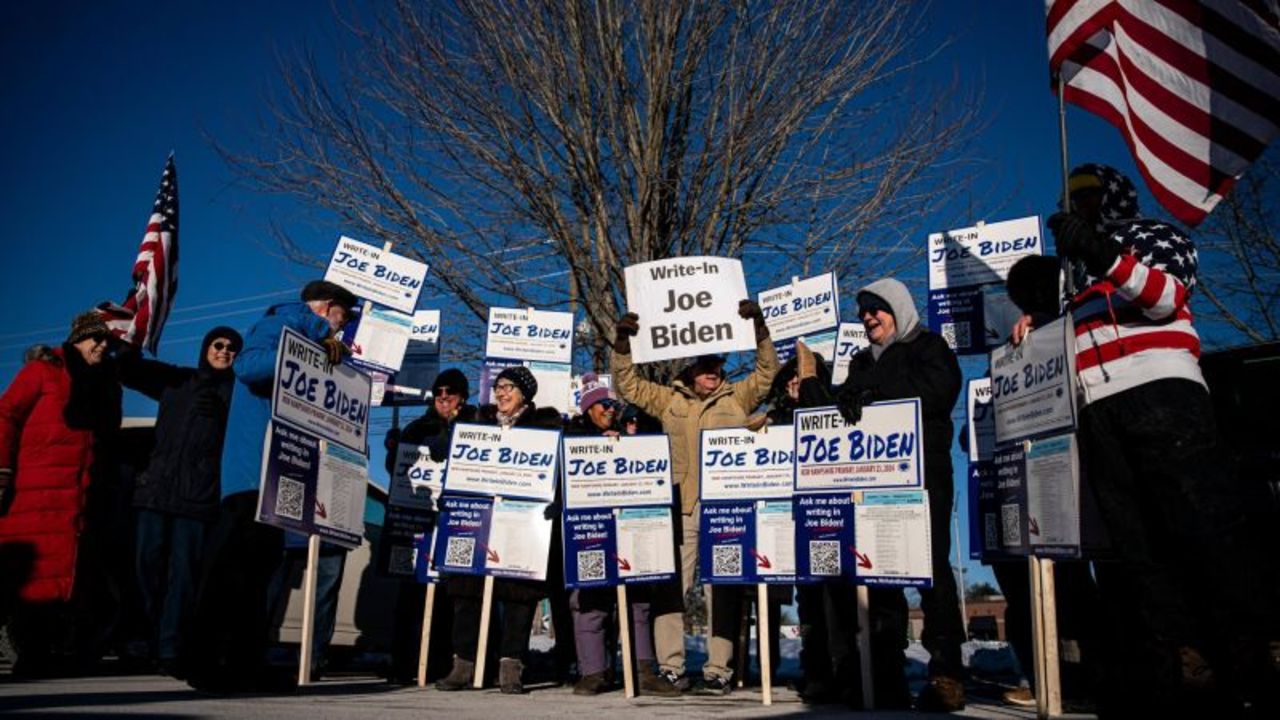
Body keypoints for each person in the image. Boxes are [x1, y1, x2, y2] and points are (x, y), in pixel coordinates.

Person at [1037, 163, 1278, 716]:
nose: (1084, 205)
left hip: (1162, 391)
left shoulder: (1150, 235)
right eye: (1074, 198)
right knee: (1136, 552)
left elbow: (1166, 295)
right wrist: (1036, 325)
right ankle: (1172, 672)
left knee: (1202, 533)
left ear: (1116, 195)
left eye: (1093, 194)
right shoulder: (1070, 270)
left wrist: (1105, 254)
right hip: (1098, 406)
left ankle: (1247, 667)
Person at [184, 280, 355, 693]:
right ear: (327, 308)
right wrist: (316, 343)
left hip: (282, 476)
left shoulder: (306, 332)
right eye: (341, 319)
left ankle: (245, 662)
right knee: (231, 574)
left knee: (257, 577)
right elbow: (249, 367)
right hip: (250, 476)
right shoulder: (281, 323)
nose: (341, 329)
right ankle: (209, 663)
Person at [611, 299, 778, 695]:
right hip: (681, 504)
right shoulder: (669, 399)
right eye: (704, 366)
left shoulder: (738, 397)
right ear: (690, 367)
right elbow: (628, 384)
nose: (711, 372)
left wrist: (759, 330)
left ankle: (719, 668)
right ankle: (671, 666)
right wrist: (622, 344)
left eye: (717, 365)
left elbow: (768, 371)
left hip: (726, 508)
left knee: (722, 586)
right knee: (672, 586)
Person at [828, 279, 965, 712]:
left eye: (877, 309)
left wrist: (876, 392)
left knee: (930, 568)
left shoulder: (929, 346)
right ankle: (884, 672)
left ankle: (946, 672)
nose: (869, 318)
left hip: (925, 473)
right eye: (864, 312)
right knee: (879, 572)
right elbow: (846, 408)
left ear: (898, 309)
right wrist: (847, 394)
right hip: (876, 479)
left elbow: (939, 393)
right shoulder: (859, 360)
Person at [0, 311, 122, 676]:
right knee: (35, 577)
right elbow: (6, 414)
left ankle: (56, 651)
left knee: (72, 578)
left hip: (81, 499)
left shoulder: (105, 385)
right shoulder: (42, 372)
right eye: (93, 338)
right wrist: (2, 470)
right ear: (75, 340)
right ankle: (31, 653)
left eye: (106, 340)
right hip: (35, 495)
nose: (101, 345)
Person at [117, 326, 242, 677]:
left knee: (183, 577)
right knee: (145, 570)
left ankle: (170, 647)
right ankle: (140, 641)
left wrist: (223, 413)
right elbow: (129, 373)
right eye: (218, 344)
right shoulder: (177, 381)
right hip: (155, 493)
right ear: (205, 347)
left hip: (198, 498)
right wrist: (129, 346)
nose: (224, 351)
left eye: (232, 348)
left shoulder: (238, 395)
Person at [435, 366, 564, 694]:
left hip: (522, 520)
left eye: (508, 387)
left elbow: (557, 471)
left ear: (524, 393)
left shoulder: (545, 426)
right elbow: (454, 461)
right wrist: (452, 494)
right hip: (479, 520)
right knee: (467, 590)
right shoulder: (477, 423)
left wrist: (554, 501)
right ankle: (464, 664)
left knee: (519, 594)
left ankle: (511, 665)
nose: (501, 393)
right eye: (498, 387)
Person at [564, 373, 676, 697]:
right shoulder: (571, 438)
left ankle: (642, 670)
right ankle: (593, 672)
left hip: (630, 527)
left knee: (638, 601)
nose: (609, 410)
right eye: (602, 404)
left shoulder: (632, 436)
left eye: (613, 404)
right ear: (587, 408)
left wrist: (626, 445)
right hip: (590, 530)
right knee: (589, 602)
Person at [766, 345, 860, 705]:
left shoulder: (833, 406)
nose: (795, 382)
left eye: (802, 376)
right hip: (793, 520)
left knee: (839, 600)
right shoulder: (776, 418)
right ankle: (818, 671)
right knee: (808, 601)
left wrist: (811, 395)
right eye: (791, 377)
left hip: (832, 518)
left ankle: (847, 671)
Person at [383, 368, 475, 684]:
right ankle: (403, 664)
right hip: (419, 521)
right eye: (439, 393)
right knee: (412, 597)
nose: (444, 398)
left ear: (463, 397)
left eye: (451, 393)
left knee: (450, 600)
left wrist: (454, 431)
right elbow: (397, 470)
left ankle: (439, 664)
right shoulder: (417, 427)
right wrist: (392, 451)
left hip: (456, 522)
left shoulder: (475, 426)